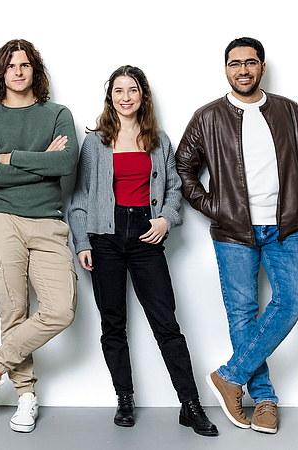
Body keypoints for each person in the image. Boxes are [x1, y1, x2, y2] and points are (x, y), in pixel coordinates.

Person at [176, 37, 298, 434]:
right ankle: (264, 399)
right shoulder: (208, 117)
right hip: (234, 232)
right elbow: (183, 169)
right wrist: (216, 208)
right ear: (225, 69)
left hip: (286, 228)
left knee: (294, 300)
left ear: (262, 67)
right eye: (235, 63)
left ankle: (230, 376)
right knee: (242, 314)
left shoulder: (288, 111)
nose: (242, 69)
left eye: (250, 62)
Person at [68, 65, 217, 436]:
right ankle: (124, 398)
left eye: (132, 90)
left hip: (146, 235)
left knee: (166, 323)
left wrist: (166, 219)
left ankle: (190, 404)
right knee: (112, 323)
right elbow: (81, 196)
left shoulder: (159, 140)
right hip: (105, 236)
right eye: (118, 91)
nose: (125, 97)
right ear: (110, 97)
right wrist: (82, 241)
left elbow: (173, 187)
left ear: (142, 95)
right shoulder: (95, 142)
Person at [0, 39, 78, 433]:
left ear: (36, 71)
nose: (18, 71)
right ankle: (26, 397)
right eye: (11, 65)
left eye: (25, 65)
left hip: (49, 222)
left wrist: (12, 157)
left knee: (60, 309)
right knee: (13, 311)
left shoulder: (57, 114)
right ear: (1, 72)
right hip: (2, 220)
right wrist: (42, 161)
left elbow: (66, 163)